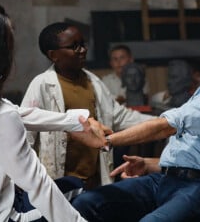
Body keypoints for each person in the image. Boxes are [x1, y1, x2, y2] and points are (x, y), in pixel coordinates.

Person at [72, 10, 200, 222]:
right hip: (165, 178)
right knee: (87, 203)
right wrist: (149, 163)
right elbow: (196, 150)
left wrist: (106, 140)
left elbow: (168, 126)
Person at [0, 2, 108, 222]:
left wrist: (77, 122)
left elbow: (17, 112)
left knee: (70, 187)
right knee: (80, 193)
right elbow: (39, 186)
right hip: (0, 218)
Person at [21, 22, 154, 188]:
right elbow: (26, 137)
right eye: (74, 47)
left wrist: (164, 121)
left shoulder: (94, 82)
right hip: (58, 182)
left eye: (83, 44)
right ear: (54, 55)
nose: (82, 50)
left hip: (95, 180)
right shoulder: (41, 85)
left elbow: (119, 116)